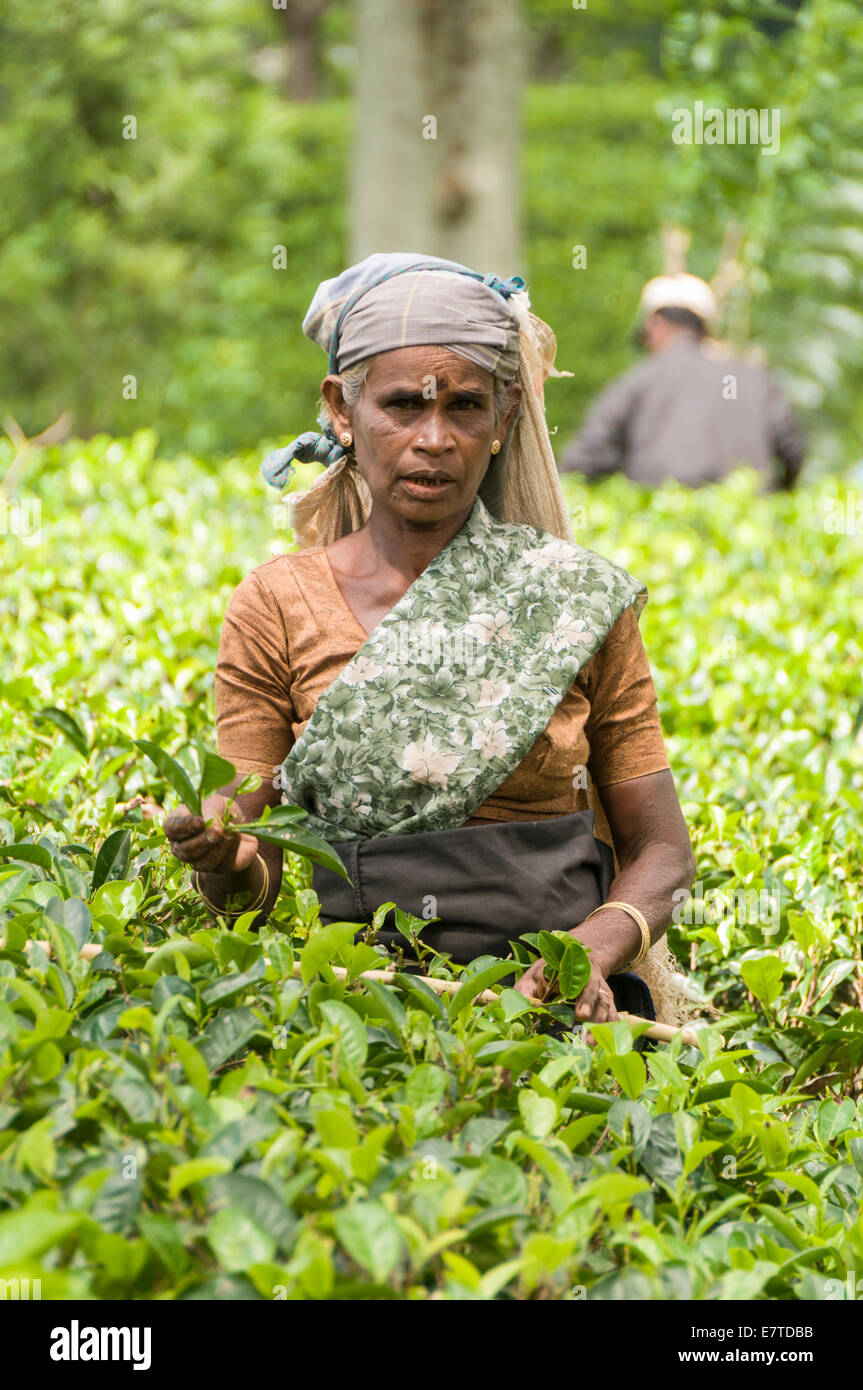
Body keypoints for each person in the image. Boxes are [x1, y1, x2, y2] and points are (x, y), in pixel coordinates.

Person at [164, 253, 695, 1026]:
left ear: (504, 417)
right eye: (403, 406)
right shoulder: (276, 606)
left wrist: (588, 950)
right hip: (360, 1010)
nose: (435, 438)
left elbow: (663, 854)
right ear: (341, 411)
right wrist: (219, 863)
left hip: (570, 1014)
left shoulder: (575, 600)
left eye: (465, 407)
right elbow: (254, 866)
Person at [558, 273, 805, 490]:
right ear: (705, 328)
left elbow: (583, 461)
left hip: (662, 532)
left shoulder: (637, 383)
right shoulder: (755, 380)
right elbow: (793, 450)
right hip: (750, 529)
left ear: (656, 323)